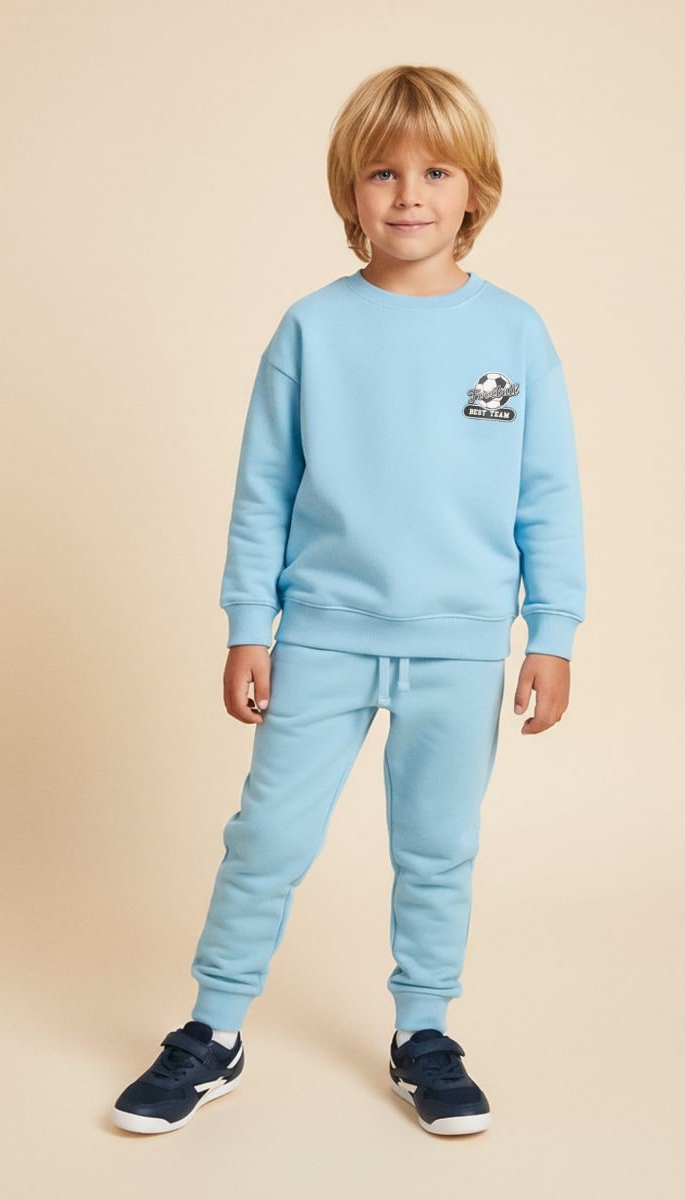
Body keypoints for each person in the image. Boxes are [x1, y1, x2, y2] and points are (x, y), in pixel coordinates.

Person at [112, 63, 586, 1139]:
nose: (409, 193)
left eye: (436, 172)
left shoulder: (515, 335)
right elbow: (263, 490)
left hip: (460, 648)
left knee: (436, 848)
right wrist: (249, 624)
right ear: (349, 192)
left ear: (477, 191)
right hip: (322, 636)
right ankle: (214, 1029)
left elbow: (547, 496)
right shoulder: (312, 329)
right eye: (383, 172)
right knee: (266, 837)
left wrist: (552, 632)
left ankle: (425, 1032)